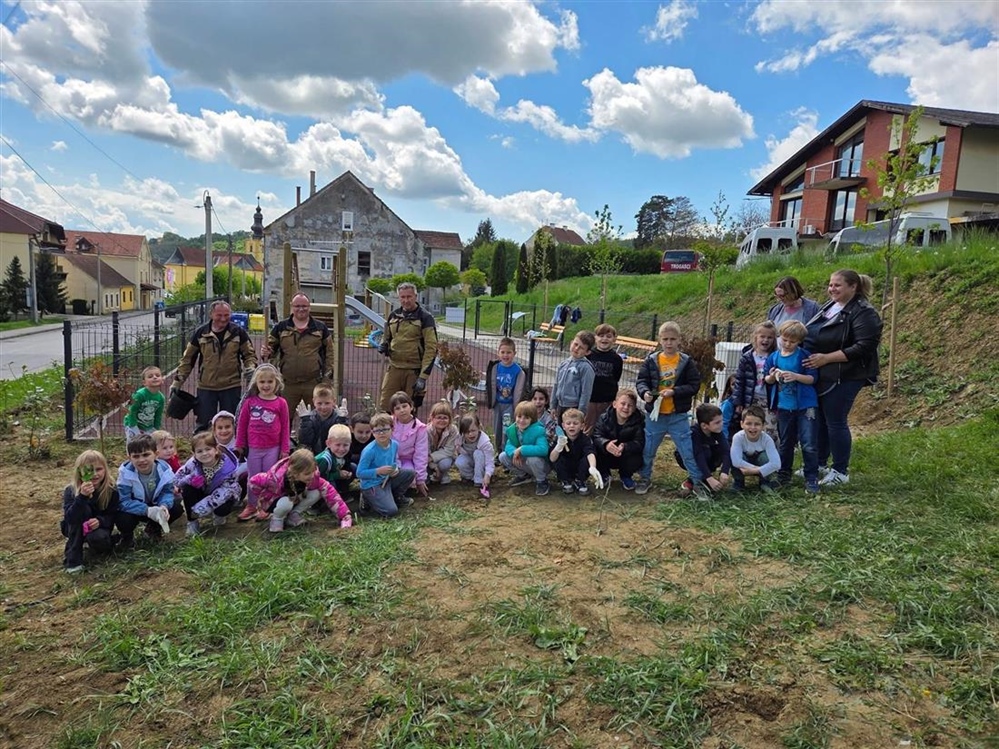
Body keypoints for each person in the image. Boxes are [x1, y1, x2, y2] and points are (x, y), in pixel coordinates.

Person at [803, 270, 882, 486]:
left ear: (853, 287)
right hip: (824, 373)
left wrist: (826, 358)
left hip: (846, 374)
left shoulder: (864, 312)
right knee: (821, 419)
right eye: (830, 285)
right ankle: (820, 463)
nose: (832, 289)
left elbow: (864, 347)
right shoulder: (830, 306)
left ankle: (840, 471)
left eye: (837, 285)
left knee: (836, 421)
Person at [635, 321, 701, 496]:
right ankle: (645, 477)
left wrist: (675, 392)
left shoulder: (686, 362)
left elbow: (694, 385)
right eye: (665, 339)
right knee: (648, 450)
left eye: (672, 339)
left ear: (679, 339)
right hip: (655, 415)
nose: (669, 343)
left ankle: (697, 482)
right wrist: (645, 393)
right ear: (660, 340)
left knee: (687, 450)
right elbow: (642, 381)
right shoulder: (651, 360)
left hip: (677, 415)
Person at [172, 300, 257, 433]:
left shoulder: (238, 332)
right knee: (204, 425)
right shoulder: (201, 333)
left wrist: (250, 369)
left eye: (226, 315)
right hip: (206, 387)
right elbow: (187, 360)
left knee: (232, 423)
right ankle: (204, 446)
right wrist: (177, 382)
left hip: (231, 386)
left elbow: (249, 355)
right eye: (219, 315)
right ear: (211, 314)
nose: (223, 319)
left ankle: (232, 446)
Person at [764, 320, 820, 493]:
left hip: (806, 405)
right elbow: (766, 379)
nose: (787, 344)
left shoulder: (804, 356)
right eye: (785, 339)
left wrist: (795, 376)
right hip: (783, 406)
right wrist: (772, 376)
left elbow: (812, 378)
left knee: (808, 443)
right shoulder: (774, 357)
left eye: (792, 341)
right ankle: (783, 475)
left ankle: (811, 477)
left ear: (799, 342)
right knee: (786, 442)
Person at [261, 293, 336, 422]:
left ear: (309, 307)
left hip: (313, 383)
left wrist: (326, 378)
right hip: (288, 384)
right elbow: (270, 350)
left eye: (304, 306)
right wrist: (266, 353)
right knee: (283, 419)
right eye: (297, 306)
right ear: (292, 307)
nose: (301, 309)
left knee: (316, 419)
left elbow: (330, 354)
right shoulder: (281, 327)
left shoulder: (320, 328)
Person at [249, 448, 352, 533]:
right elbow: (253, 481)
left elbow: (331, 493)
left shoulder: (313, 477)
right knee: (286, 503)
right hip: (277, 502)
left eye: (312, 471)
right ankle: (277, 519)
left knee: (317, 492)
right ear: (295, 473)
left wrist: (344, 515)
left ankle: (293, 515)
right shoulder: (275, 478)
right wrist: (262, 501)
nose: (311, 475)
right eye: (307, 473)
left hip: (295, 499)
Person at [235, 364, 291, 521]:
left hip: (272, 448)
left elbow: (285, 427)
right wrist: (239, 445)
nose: (266, 385)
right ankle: (252, 505)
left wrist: (285, 449)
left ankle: (265, 506)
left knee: (269, 478)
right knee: (253, 478)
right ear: (256, 384)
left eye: (270, 382)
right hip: (254, 448)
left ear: (276, 383)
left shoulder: (281, 403)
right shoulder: (250, 402)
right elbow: (241, 425)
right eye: (262, 382)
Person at [378, 282, 438, 411]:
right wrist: (383, 345)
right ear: (399, 298)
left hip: (413, 370)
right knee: (386, 405)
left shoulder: (425, 318)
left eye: (409, 296)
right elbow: (387, 337)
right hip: (394, 368)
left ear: (416, 296)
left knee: (408, 408)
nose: (406, 300)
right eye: (403, 297)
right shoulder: (394, 316)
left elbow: (431, 348)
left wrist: (423, 377)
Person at [116, 434, 181, 546]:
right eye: (136, 456)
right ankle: (127, 536)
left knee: (177, 506)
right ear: (129, 458)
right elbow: (124, 501)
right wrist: (147, 510)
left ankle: (153, 529)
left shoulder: (165, 470)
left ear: (156, 454)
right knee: (122, 516)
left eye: (146, 455)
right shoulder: (126, 473)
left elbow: (167, 491)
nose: (141, 460)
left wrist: (164, 505)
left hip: (156, 505)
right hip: (135, 508)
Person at [61, 450, 120, 573]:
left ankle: (105, 543)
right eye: (89, 470)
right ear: (79, 472)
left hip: (98, 529)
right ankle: (73, 559)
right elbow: (70, 518)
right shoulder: (71, 491)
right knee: (80, 515)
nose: (94, 474)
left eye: (98, 469)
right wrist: (82, 497)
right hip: (74, 526)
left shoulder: (111, 490)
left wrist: (100, 521)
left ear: (105, 469)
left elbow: (113, 515)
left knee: (99, 540)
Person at [174, 432, 241, 537]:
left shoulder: (228, 468)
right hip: (203, 491)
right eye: (199, 451)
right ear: (194, 453)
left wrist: (201, 508)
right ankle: (192, 522)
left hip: (223, 495)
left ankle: (219, 515)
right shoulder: (193, 463)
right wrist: (189, 479)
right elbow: (176, 479)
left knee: (222, 509)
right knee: (187, 489)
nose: (204, 453)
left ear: (216, 449)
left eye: (208, 449)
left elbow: (225, 491)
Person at [356, 412, 416, 518]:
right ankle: (367, 498)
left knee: (410, 473)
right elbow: (359, 473)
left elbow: (393, 460)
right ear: (372, 432)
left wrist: (395, 469)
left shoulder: (394, 444)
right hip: (371, 484)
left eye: (385, 429)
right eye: (377, 431)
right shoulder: (369, 451)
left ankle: (397, 497)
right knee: (391, 511)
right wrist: (378, 471)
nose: (381, 433)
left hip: (386, 479)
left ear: (392, 429)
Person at [732, 321, 779, 443]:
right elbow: (740, 380)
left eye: (769, 337)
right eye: (762, 336)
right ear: (755, 337)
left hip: (769, 400)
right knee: (751, 429)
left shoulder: (776, 357)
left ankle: (771, 453)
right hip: (752, 399)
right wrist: (738, 402)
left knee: (770, 431)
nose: (765, 340)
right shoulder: (747, 357)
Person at [592, 388, 645, 490]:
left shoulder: (638, 421)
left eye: (630, 405)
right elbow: (596, 435)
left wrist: (625, 446)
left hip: (625, 455)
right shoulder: (603, 418)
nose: (626, 407)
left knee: (636, 457)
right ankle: (604, 474)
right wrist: (606, 444)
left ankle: (626, 476)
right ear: (615, 404)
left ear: (634, 408)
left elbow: (639, 442)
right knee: (594, 449)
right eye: (623, 403)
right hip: (607, 454)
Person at [676, 403, 731, 498]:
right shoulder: (694, 433)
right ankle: (697, 481)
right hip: (685, 457)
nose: (721, 424)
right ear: (704, 426)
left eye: (721, 421)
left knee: (718, 450)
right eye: (717, 422)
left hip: (703, 455)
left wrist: (724, 471)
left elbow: (726, 451)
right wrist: (709, 478)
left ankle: (694, 481)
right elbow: (699, 455)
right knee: (706, 452)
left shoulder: (716, 431)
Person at [498, 401, 551, 496]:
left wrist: (522, 449)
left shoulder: (539, 430)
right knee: (502, 456)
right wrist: (514, 452)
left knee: (533, 459)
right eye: (519, 417)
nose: (522, 420)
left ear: (532, 419)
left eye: (526, 418)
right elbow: (508, 446)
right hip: (524, 462)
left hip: (541, 465)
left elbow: (543, 449)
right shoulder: (513, 430)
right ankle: (523, 476)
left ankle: (542, 481)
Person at [550, 408, 603, 495]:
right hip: (565, 467)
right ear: (563, 426)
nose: (571, 426)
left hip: (580, 467)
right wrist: (558, 447)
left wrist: (592, 467)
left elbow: (590, 453)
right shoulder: (559, 438)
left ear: (582, 426)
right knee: (558, 458)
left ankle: (580, 481)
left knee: (588, 459)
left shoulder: (585, 439)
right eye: (568, 423)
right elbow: (552, 459)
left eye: (575, 423)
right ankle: (566, 481)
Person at [485, 337, 525, 452]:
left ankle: (505, 451)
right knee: (497, 429)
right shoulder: (495, 368)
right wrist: (490, 401)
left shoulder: (517, 370)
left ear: (514, 353)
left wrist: (516, 407)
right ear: (498, 353)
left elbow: (519, 390)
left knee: (506, 429)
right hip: (498, 404)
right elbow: (491, 385)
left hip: (509, 406)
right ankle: (498, 451)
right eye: (502, 352)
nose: (505, 355)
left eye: (508, 352)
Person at [730, 406, 781, 492]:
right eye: (748, 423)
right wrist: (755, 469)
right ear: (742, 424)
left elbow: (776, 464)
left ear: (763, 425)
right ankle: (738, 482)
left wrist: (756, 470)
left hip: (759, 463)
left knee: (765, 457)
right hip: (745, 465)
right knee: (734, 457)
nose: (753, 427)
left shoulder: (767, 439)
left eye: (757, 424)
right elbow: (736, 461)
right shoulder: (738, 437)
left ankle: (765, 482)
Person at [585, 324, 623, 433]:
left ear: (614, 339)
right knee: (587, 428)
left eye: (608, 336)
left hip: (607, 400)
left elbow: (616, 377)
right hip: (590, 400)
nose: (604, 339)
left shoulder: (616, 359)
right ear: (595, 338)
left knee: (605, 428)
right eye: (601, 336)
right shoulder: (589, 356)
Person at [390, 391, 429, 497]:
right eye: (397, 408)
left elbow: (421, 453)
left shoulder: (420, 428)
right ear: (393, 412)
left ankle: (400, 494)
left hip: (408, 460)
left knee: (410, 476)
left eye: (404, 406)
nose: (402, 410)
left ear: (411, 406)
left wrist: (420, 479)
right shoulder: (389, 423)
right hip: (390, 458)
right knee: (391, 473)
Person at [551, 331, 596, 418]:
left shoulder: (586, 368)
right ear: (571, 343)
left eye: (581, 348)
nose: (576, 348)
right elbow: (556, 385)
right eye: (575, 344)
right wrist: (553, 405)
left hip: (574, 407)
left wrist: (581, 412)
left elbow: (586, 392)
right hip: (560, 405)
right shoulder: (563, 364)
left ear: (587, 352)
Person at [298, 382, 348, 454]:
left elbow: (343, 438)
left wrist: (342, 420)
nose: (323, 407)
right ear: (314, 402)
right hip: (314, 455)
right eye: (319, 403)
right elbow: (305, 441)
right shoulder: (310, 418)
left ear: (334, 401)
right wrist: (305, 420)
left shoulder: (337, 417)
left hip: (333, 455)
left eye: (327, 403)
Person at [455, 413, 494, 499]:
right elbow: (458, 452)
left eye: (473, 430)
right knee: (459, 461)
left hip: (482, 464)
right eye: (467, 432)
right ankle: (470, 477)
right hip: (471, 462)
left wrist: (488, 475)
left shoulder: (485, 442)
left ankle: (479, 480)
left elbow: (490, 462)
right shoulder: (459, 439)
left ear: (479, 427)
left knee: (478, 453)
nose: (470, 434)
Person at [123, 366, 165, 443]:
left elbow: (158, 415)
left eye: (157, 375)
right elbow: (132, 411)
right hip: (133, 423)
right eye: (150, 376)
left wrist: (156, 429)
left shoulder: (161, 398)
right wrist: (134, 427)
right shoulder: (140, 395)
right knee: (134, 444)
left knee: (150, 444)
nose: (154, 377)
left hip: (148, 426)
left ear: (162, 380)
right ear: (144, 382)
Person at [315, 423, 356, 503]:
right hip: (317, 482)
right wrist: (337, 475)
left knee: (353, 467)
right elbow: (319, 478)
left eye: (345, 445)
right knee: (331, 484)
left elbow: (346, 465)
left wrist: (347, 473)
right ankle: (323, 503)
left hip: (333, 474)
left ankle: (342, 492)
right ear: (328, 443)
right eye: (338, 445)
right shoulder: (324, 460)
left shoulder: (347, 454)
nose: (341, 449)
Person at [427, 400, 459, 485]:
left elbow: (449, 450)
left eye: (445, 418)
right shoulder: (426, 431)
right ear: (432, 418)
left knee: (445, 464)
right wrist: (434, 466)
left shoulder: (453, 430)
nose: (442, 420)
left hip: (444, 457)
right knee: (427, 480)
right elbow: (425, 453)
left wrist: (432, 457)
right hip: (427, 460)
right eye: (439, 417)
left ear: (450, 419)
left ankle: (444, 474)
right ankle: (434, 473)